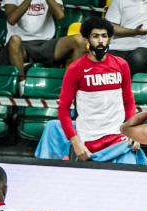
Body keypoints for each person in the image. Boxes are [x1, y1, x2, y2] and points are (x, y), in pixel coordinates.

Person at [58, 17, 139, 161]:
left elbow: (129, 101)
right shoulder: (75, 69)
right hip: (88, 140)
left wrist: (133, 131)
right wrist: (75, 141)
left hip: (118, 137)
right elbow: (63, 108)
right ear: (87, 39)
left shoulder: (121, 65)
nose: (100, 40)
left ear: (109, 39)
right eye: (95, 36)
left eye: (104, 36)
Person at [0, 0, 86, 82]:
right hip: (21, 45)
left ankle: (71, 85)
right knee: (14, 40)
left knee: (79, 40)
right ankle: (21, 84)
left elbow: (60, 16)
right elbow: (11, 19)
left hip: (45, 43)